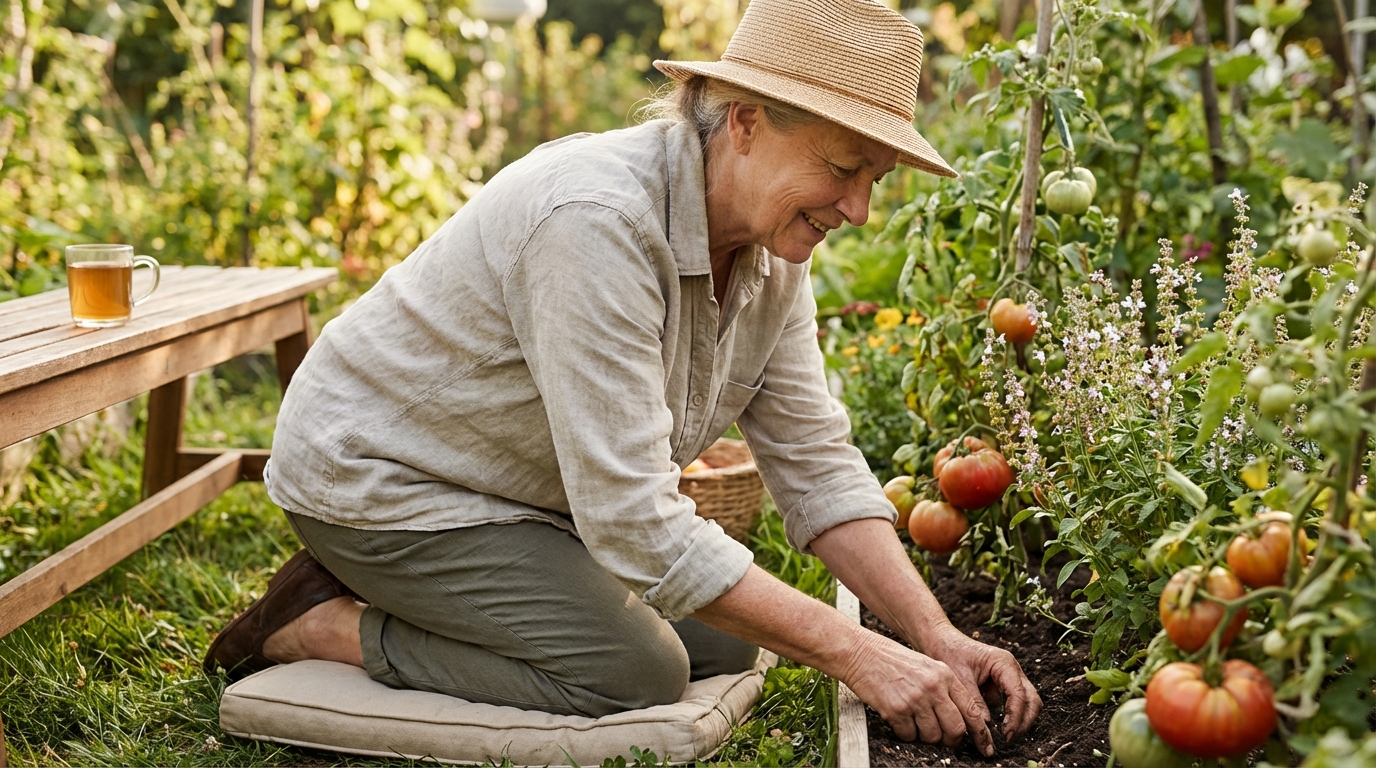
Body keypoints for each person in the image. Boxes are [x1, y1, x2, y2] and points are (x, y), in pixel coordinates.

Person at [204, 0, 1042, 754]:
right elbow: (636, 521)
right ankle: (316, 623)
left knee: (723, 643)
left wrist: (935, 637)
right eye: (842, 168)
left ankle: (435, 599)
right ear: (746, 122)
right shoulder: (595, 223)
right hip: (382, 479)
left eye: (875, 180)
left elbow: (815, 462)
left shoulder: (773, 254)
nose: (857, 209)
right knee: (631, 669)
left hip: (521, 493)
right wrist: (856, 651)